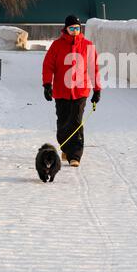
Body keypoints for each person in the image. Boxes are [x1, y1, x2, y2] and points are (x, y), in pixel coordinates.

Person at [42, 15, 101, 167]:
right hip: (61, 91)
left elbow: (94, 69)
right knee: (62, 123)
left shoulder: (88, 46)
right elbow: (48, 66)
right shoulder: (56, 45)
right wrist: (47, 84)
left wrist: (97, 89)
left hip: (80, 92)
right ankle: (66, 148)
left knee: (76, 122)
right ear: (66, 29)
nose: (75, 31)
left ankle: (75, 155)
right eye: (71, 28)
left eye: (77, 28)